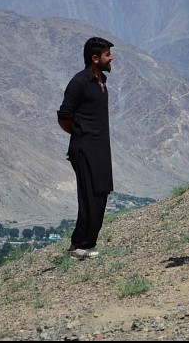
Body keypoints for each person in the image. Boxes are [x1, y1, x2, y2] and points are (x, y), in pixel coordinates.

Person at [57, 36, 115, 260]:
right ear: (95, 58)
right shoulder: (79, 82)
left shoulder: (101, 82)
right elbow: (64, 116)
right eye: (107, 54)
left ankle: (87, 243)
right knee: (89, 196)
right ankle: (79, 245)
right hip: (84, 149)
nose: (111, 58)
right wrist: (81, 135)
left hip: (101, 149)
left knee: (101, 194)